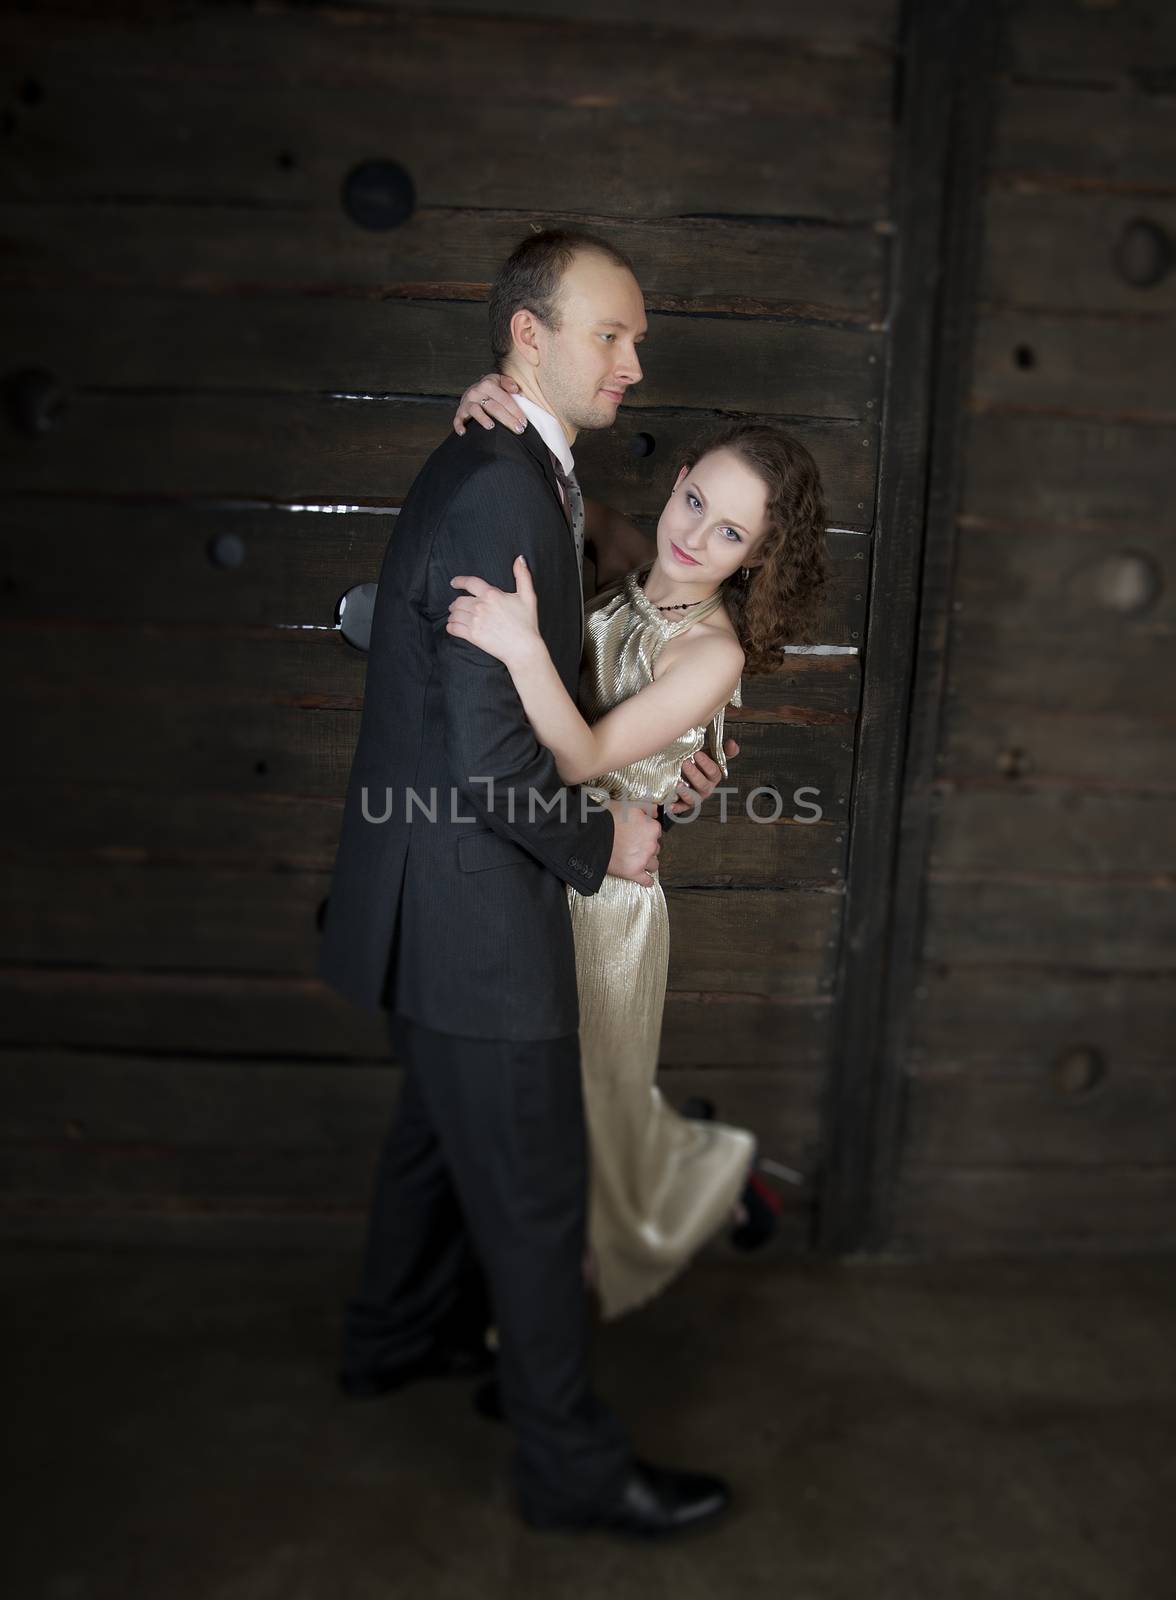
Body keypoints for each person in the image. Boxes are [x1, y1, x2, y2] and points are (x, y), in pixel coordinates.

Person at [318, 229, 741, 1539]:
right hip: (470, 905)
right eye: (611, 334)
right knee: (537, 1185)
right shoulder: (505, 482)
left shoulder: (517, 470)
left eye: (638, 339)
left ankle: (391, 1341)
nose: (634, 361)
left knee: (439, 1138)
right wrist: (603, 844)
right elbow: (492, 757)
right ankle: (567, 1465)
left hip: (416, 892)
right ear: (527, 339)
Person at [445, 399, 828, 1323]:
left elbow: (578, 758)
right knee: (547, 1108)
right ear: (680, 475)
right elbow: (563, 490)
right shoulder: (626, 557)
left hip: (608, 903)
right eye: (695, 500)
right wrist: (490, 402)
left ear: (758, 556)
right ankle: (695, 1184)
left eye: (731, 531)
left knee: (588, 1115)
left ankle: (551, 1324)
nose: (697, 536)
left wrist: (517, 642)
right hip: (544, 860)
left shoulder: (711, 653)